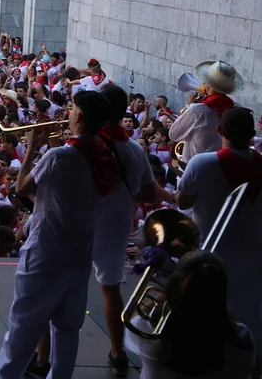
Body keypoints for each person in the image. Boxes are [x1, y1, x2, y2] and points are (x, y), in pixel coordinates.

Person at [0, 90, 114, 379]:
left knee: (21, 330)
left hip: (45, 254)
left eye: (71, 110)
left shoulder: (58, 156)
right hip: (79, 256)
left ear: (79, 116)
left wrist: (31, 149)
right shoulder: (105, 157)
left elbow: (22, 188)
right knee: (67, 332)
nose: (67, 114)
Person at [94, 83, 175, 377]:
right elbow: (148, 194)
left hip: (80, 223)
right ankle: (117, 352)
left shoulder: (82, 145)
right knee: (110, 288)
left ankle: (44, 355)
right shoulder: (133, 149)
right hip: (116, 223)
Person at [176, 106, 262, 373]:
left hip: (210, 256)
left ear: (219, 130)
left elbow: (182, 202)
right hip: (254, 257)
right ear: (252, 134)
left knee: (205, 316)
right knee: (250, 316)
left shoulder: (202, 163)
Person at [132, 251, 254, 379]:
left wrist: (164, 296)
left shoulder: (146, 331)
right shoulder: (242, 339)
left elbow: (132, 326)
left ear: (173, 285)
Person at [171, 61, 241, 163]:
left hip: (194, 165)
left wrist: (189, 106)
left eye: (205, 80)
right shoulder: (235, 110)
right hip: (220, 166)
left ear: (208, 83)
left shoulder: (197, 110)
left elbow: (173, 134)